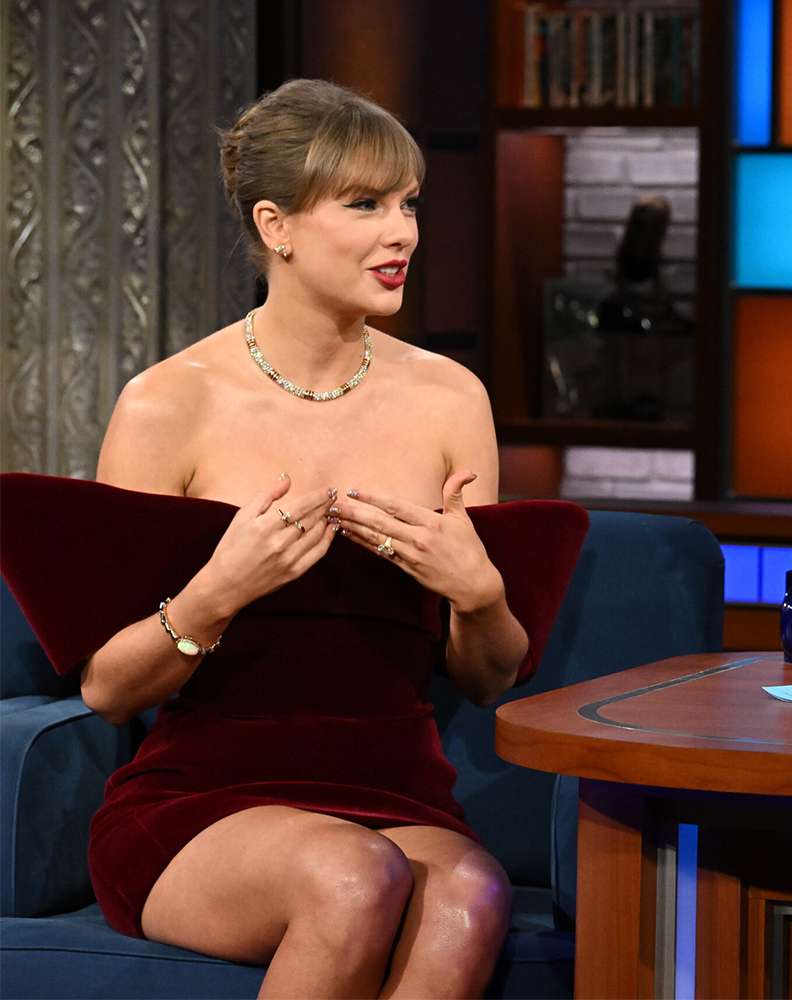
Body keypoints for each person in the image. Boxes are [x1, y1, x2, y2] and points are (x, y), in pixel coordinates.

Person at [77, 79, 526, 995]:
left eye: (407, 204)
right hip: (202, 803)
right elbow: (105, 687)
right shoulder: (170, 403)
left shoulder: (452, 399)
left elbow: (488, 678)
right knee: (353, 876)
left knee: (473, 893)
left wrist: (478, 593)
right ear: (276, 225)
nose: (401, 232)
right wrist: (218, 592)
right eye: (364, 205)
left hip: (398, 794)